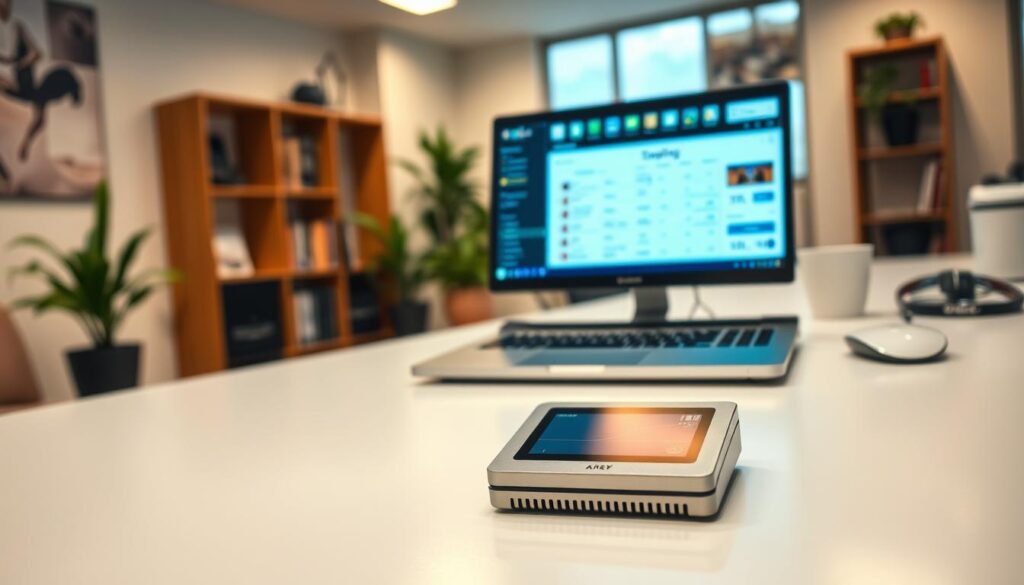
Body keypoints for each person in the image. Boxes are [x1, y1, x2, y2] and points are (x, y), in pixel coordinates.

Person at [0, 0, 82, 163]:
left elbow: (39, 121)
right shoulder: (38, 91)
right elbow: (36, 54)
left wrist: (25, 145)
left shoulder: (37, 94)